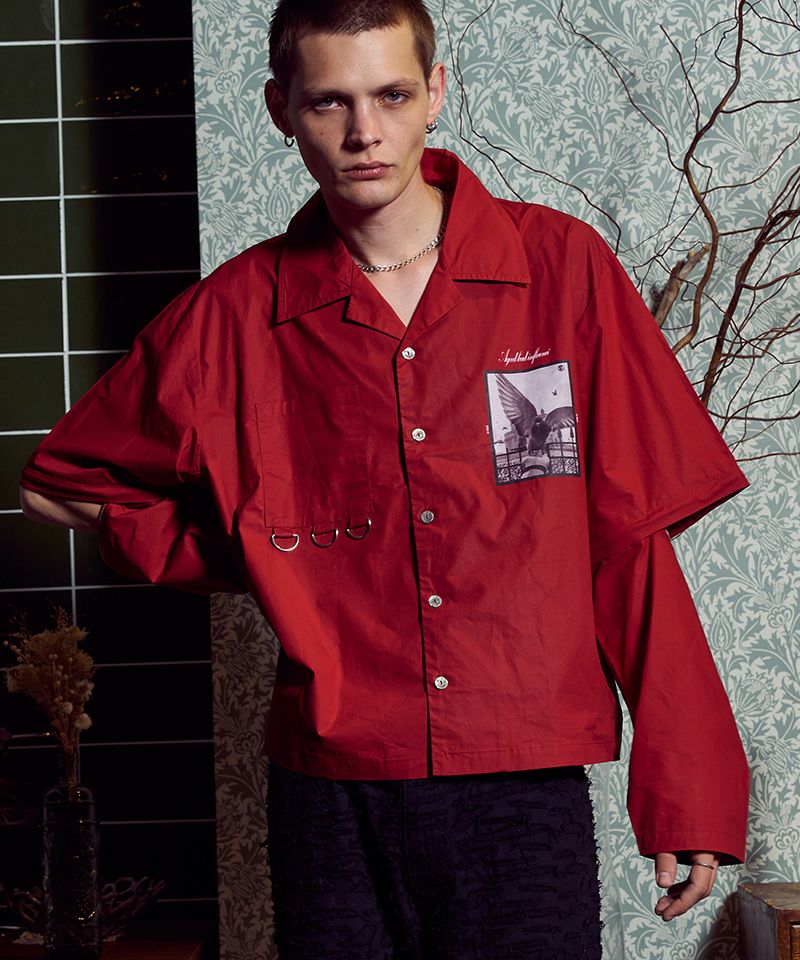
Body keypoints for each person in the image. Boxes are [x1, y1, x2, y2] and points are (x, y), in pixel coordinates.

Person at [19, 1, 751, 957]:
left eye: (393, 95)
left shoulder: (559, 269)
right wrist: (255, 550)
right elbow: (57, 483)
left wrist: (689, 791)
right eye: (330, 102)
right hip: (331, 796)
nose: (365, 132)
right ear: (281, 110)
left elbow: (628, 544)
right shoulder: (235, 314)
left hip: (520, 785)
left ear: (435, 92)